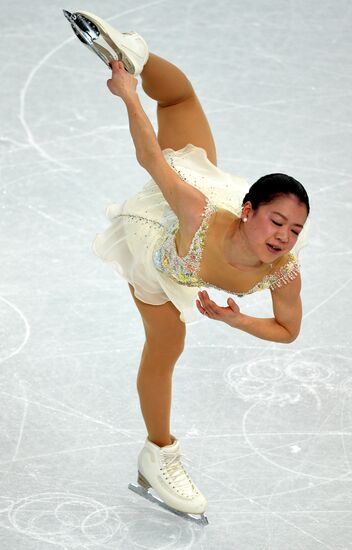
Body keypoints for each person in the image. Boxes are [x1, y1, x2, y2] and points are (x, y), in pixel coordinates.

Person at [66, 10, 310, 524]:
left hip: (195, 215)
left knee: (178, 100)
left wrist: (237, 319)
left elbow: (288, 329)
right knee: (166, 343)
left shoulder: (282, 270)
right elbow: (151, 159)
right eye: (276, 221)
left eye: (293, 230)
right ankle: (160, 453)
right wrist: (129, 94)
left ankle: (137, 55)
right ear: (250, 212)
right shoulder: (200, 211)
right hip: (160, 246)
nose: (283, 237)